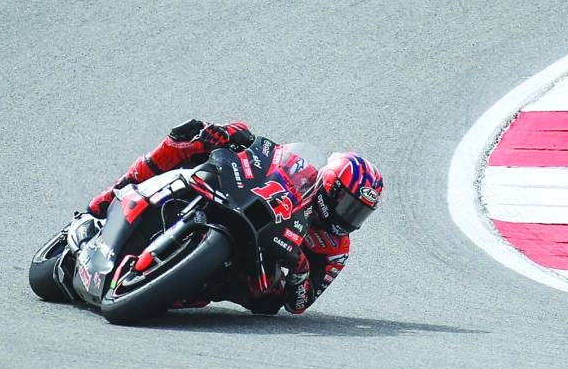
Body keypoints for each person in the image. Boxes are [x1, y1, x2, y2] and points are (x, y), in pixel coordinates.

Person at [86, 119, 384, 315]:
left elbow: (299, 305)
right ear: (329, 187)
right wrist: (233, 135)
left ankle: (171, 287)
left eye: (359, 212)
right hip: (246, 206)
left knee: (266, 304)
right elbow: (269, 158)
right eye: (347, 204)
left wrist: (301, 267)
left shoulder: (336, 248)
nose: (349, 217)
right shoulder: (302, 172)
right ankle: (115, 192)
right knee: (190, 138)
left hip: (259, 269)